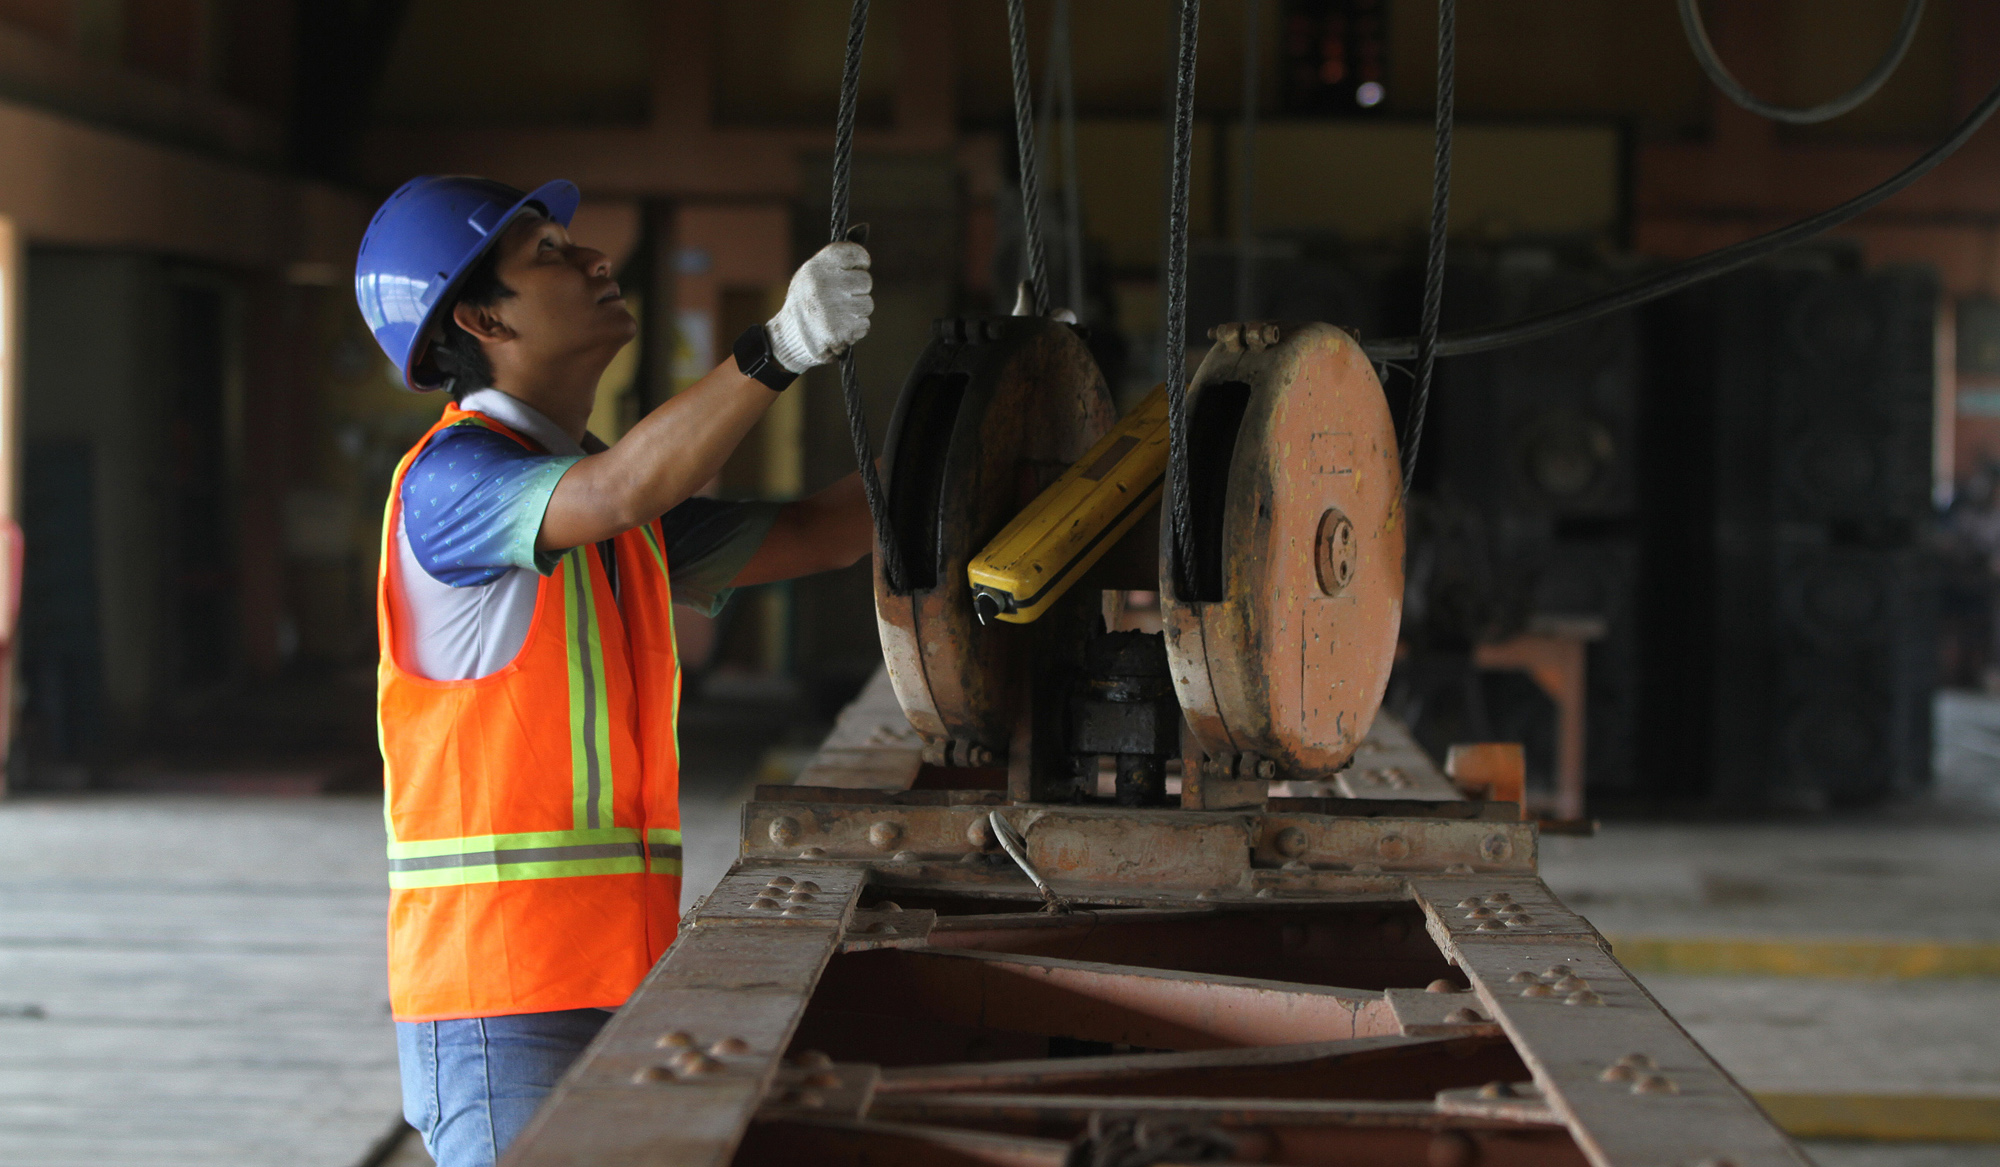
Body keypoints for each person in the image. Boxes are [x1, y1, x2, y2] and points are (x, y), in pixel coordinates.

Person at [353, 176, 876, 1167]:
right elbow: (625, 485)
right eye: (548, 253)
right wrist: (780, 348)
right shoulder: (454, 482)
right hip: (500, 999)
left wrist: (978, 405)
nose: (595, 259)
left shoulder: (602, 503)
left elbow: (823, 532)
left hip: (618, 974)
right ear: (480, 316)